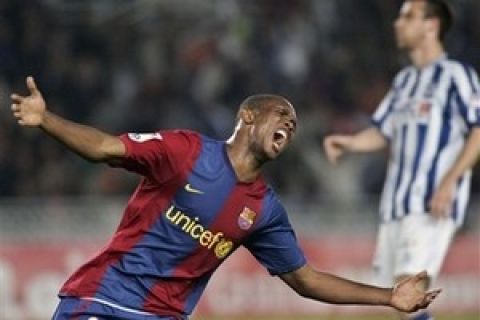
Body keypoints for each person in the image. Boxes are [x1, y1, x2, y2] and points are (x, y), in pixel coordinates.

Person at [11, 77, 439, 320]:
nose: (290, 124)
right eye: (281, 114)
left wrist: (388, 297)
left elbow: (305, 280)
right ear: (247, 116)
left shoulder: (264, 210)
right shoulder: (186, 151)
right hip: (104, 300)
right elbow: (106, 148)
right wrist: (46, 119)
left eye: (294, 123)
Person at [324, 1, 480, 320]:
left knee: (406, 294)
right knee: (395, 304)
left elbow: (478, 129)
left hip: (430, 201)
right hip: (395, 205)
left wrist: (450, 181)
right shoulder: (405, 81)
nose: (398, 23)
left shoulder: (456, 76)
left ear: (431, 25)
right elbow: (383, 132)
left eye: (408, 16)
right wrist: (350, 142)